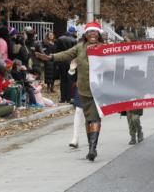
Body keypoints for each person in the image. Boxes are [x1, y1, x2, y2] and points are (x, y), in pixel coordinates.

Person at [36, 22, 104, 161]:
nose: (92, 34)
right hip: (83, 89)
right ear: (85, 35)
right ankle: (92, 147)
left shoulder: (106, 48)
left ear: (99, 34)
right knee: (89, 118)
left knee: (94, 117)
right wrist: (50, 57)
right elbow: (66, 54)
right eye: (90, 32)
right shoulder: (79, 47)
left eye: (95, 32)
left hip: (100, 89)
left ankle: (92, 148)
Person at [55, 26, 77, 103]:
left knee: (63, 80)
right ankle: (69, 98)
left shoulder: (59, 39)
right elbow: (75, 53)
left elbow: (56, 51)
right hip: (71, 62)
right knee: (70, 80)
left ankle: (62, 98)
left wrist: (57, 63)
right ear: (73, 32)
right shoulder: (74, 40)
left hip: (61, 61)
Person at [68, 59, 84, 148]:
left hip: (94, 87)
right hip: (81, 88)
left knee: (93, 116)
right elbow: (71, 79)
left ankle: (92, 138)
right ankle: (75, 138)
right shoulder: (79, 57)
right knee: (78, 111)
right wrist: (72, 69)